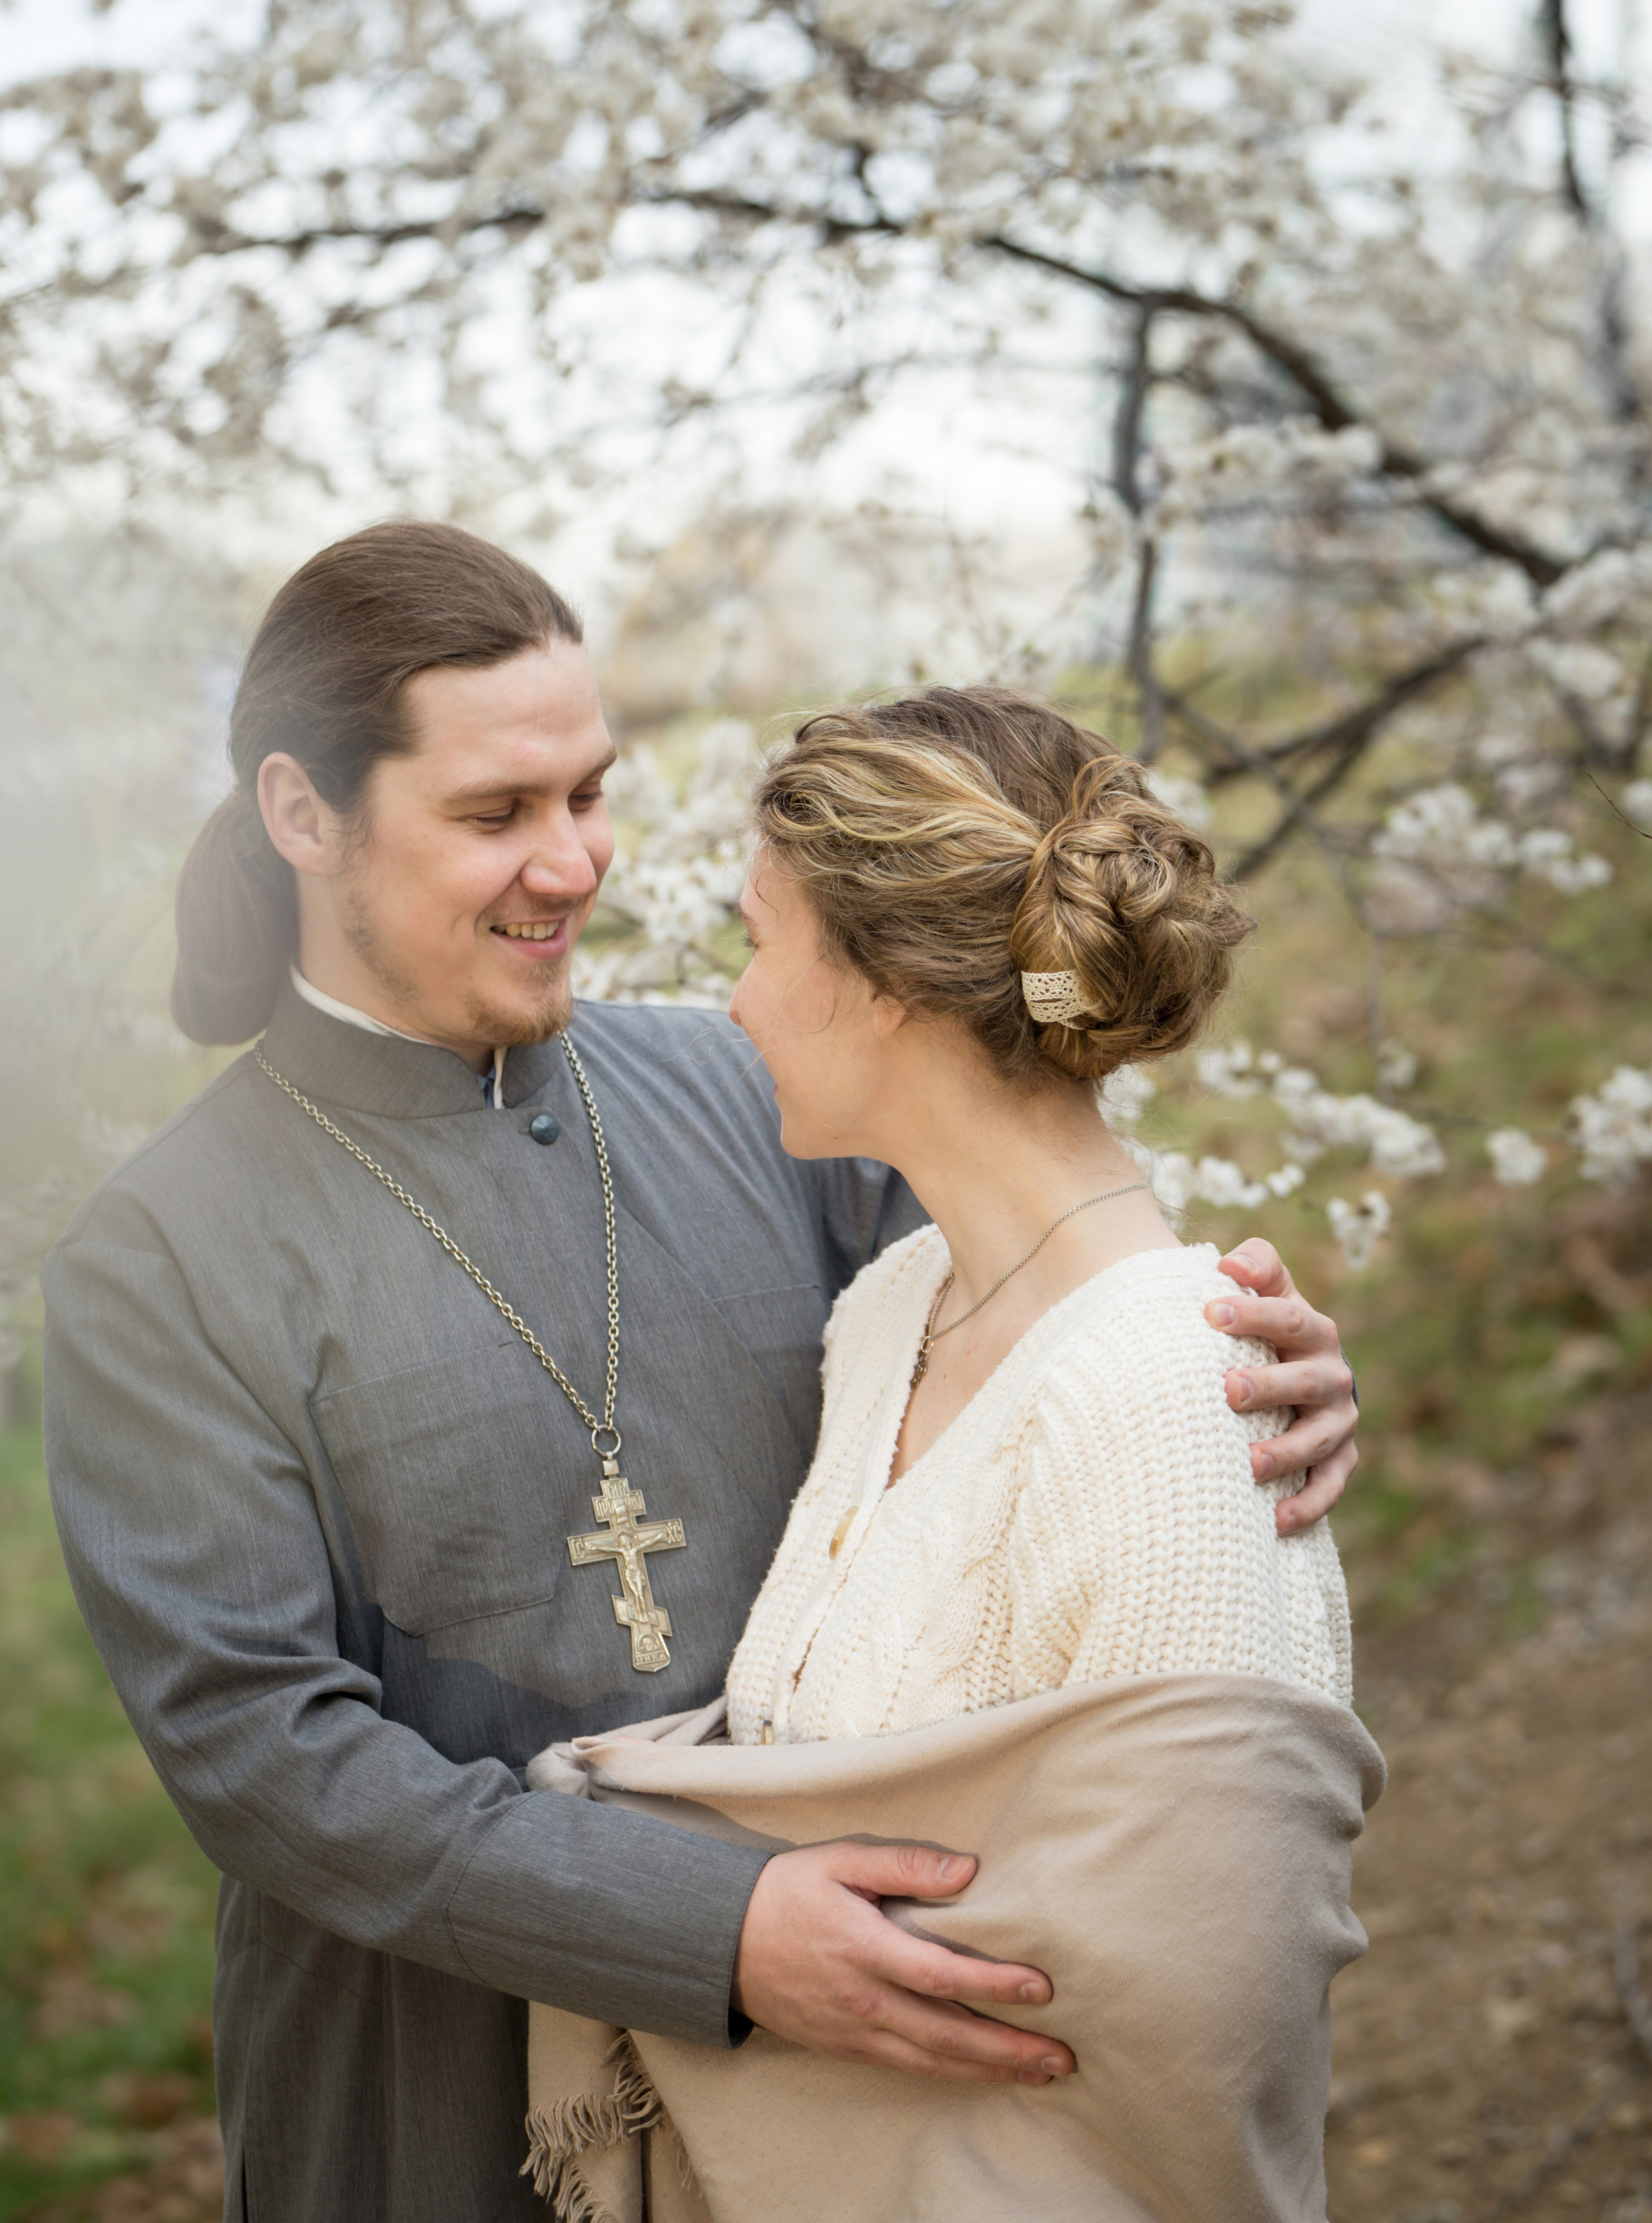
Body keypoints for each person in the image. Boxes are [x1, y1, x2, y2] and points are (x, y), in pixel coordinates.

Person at [42, 525, 1358, 2223]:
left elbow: (1046, 1319)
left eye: (590, 793)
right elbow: (263, 1754)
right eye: (496, 814)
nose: (576, 861)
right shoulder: (164, 1257)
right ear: (304, 816)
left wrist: (1256, 1365)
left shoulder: (751, 1089)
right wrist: (716, 1931)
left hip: (855, 2107)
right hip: (426, 2105)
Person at [521, 691, 1375, 2222]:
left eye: (758, 942)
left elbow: (1184, 2026)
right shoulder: (890, 1307)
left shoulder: (1171, 1403)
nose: (735, 1002)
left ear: (881, 983)